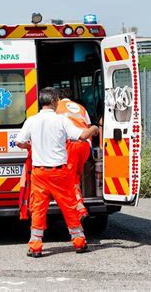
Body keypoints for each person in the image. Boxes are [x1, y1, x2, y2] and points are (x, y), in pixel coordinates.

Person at [15, 87, 99, 257]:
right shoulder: (61, 121)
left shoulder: (31, 120)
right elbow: (81, 136)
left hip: (39, 173)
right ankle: (79, 242)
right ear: (54, 101)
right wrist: (94, 128)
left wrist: (31, 146)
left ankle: (35, 246)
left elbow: (19, 142)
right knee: (68, 207)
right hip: (59, 173)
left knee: (38, 209)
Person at [56, 89, 92, 220]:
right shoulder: (81, 108)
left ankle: (79, 206)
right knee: (76, 175)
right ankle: (78, 202)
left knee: (69, 178)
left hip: (71, 144)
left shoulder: (57, 107)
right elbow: (87, 126)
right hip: (85, 145)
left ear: (58, 98)